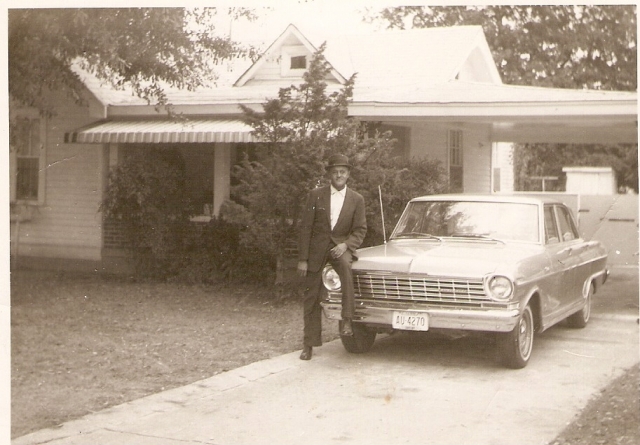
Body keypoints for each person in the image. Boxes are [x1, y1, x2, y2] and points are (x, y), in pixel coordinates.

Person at [297, 154, 367, 360]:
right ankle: (308, 344)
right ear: (329, 173)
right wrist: (303, 259)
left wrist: (346, 245)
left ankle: (347, 320)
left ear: (348, 174)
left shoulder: (357, 199)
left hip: (340, 249)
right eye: (335, 171)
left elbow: (360, 230)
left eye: (342, 171)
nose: (339, 175)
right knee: (311, 297)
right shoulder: (315, 195)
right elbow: (305, 228)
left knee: (347, 269)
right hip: (316, 251)